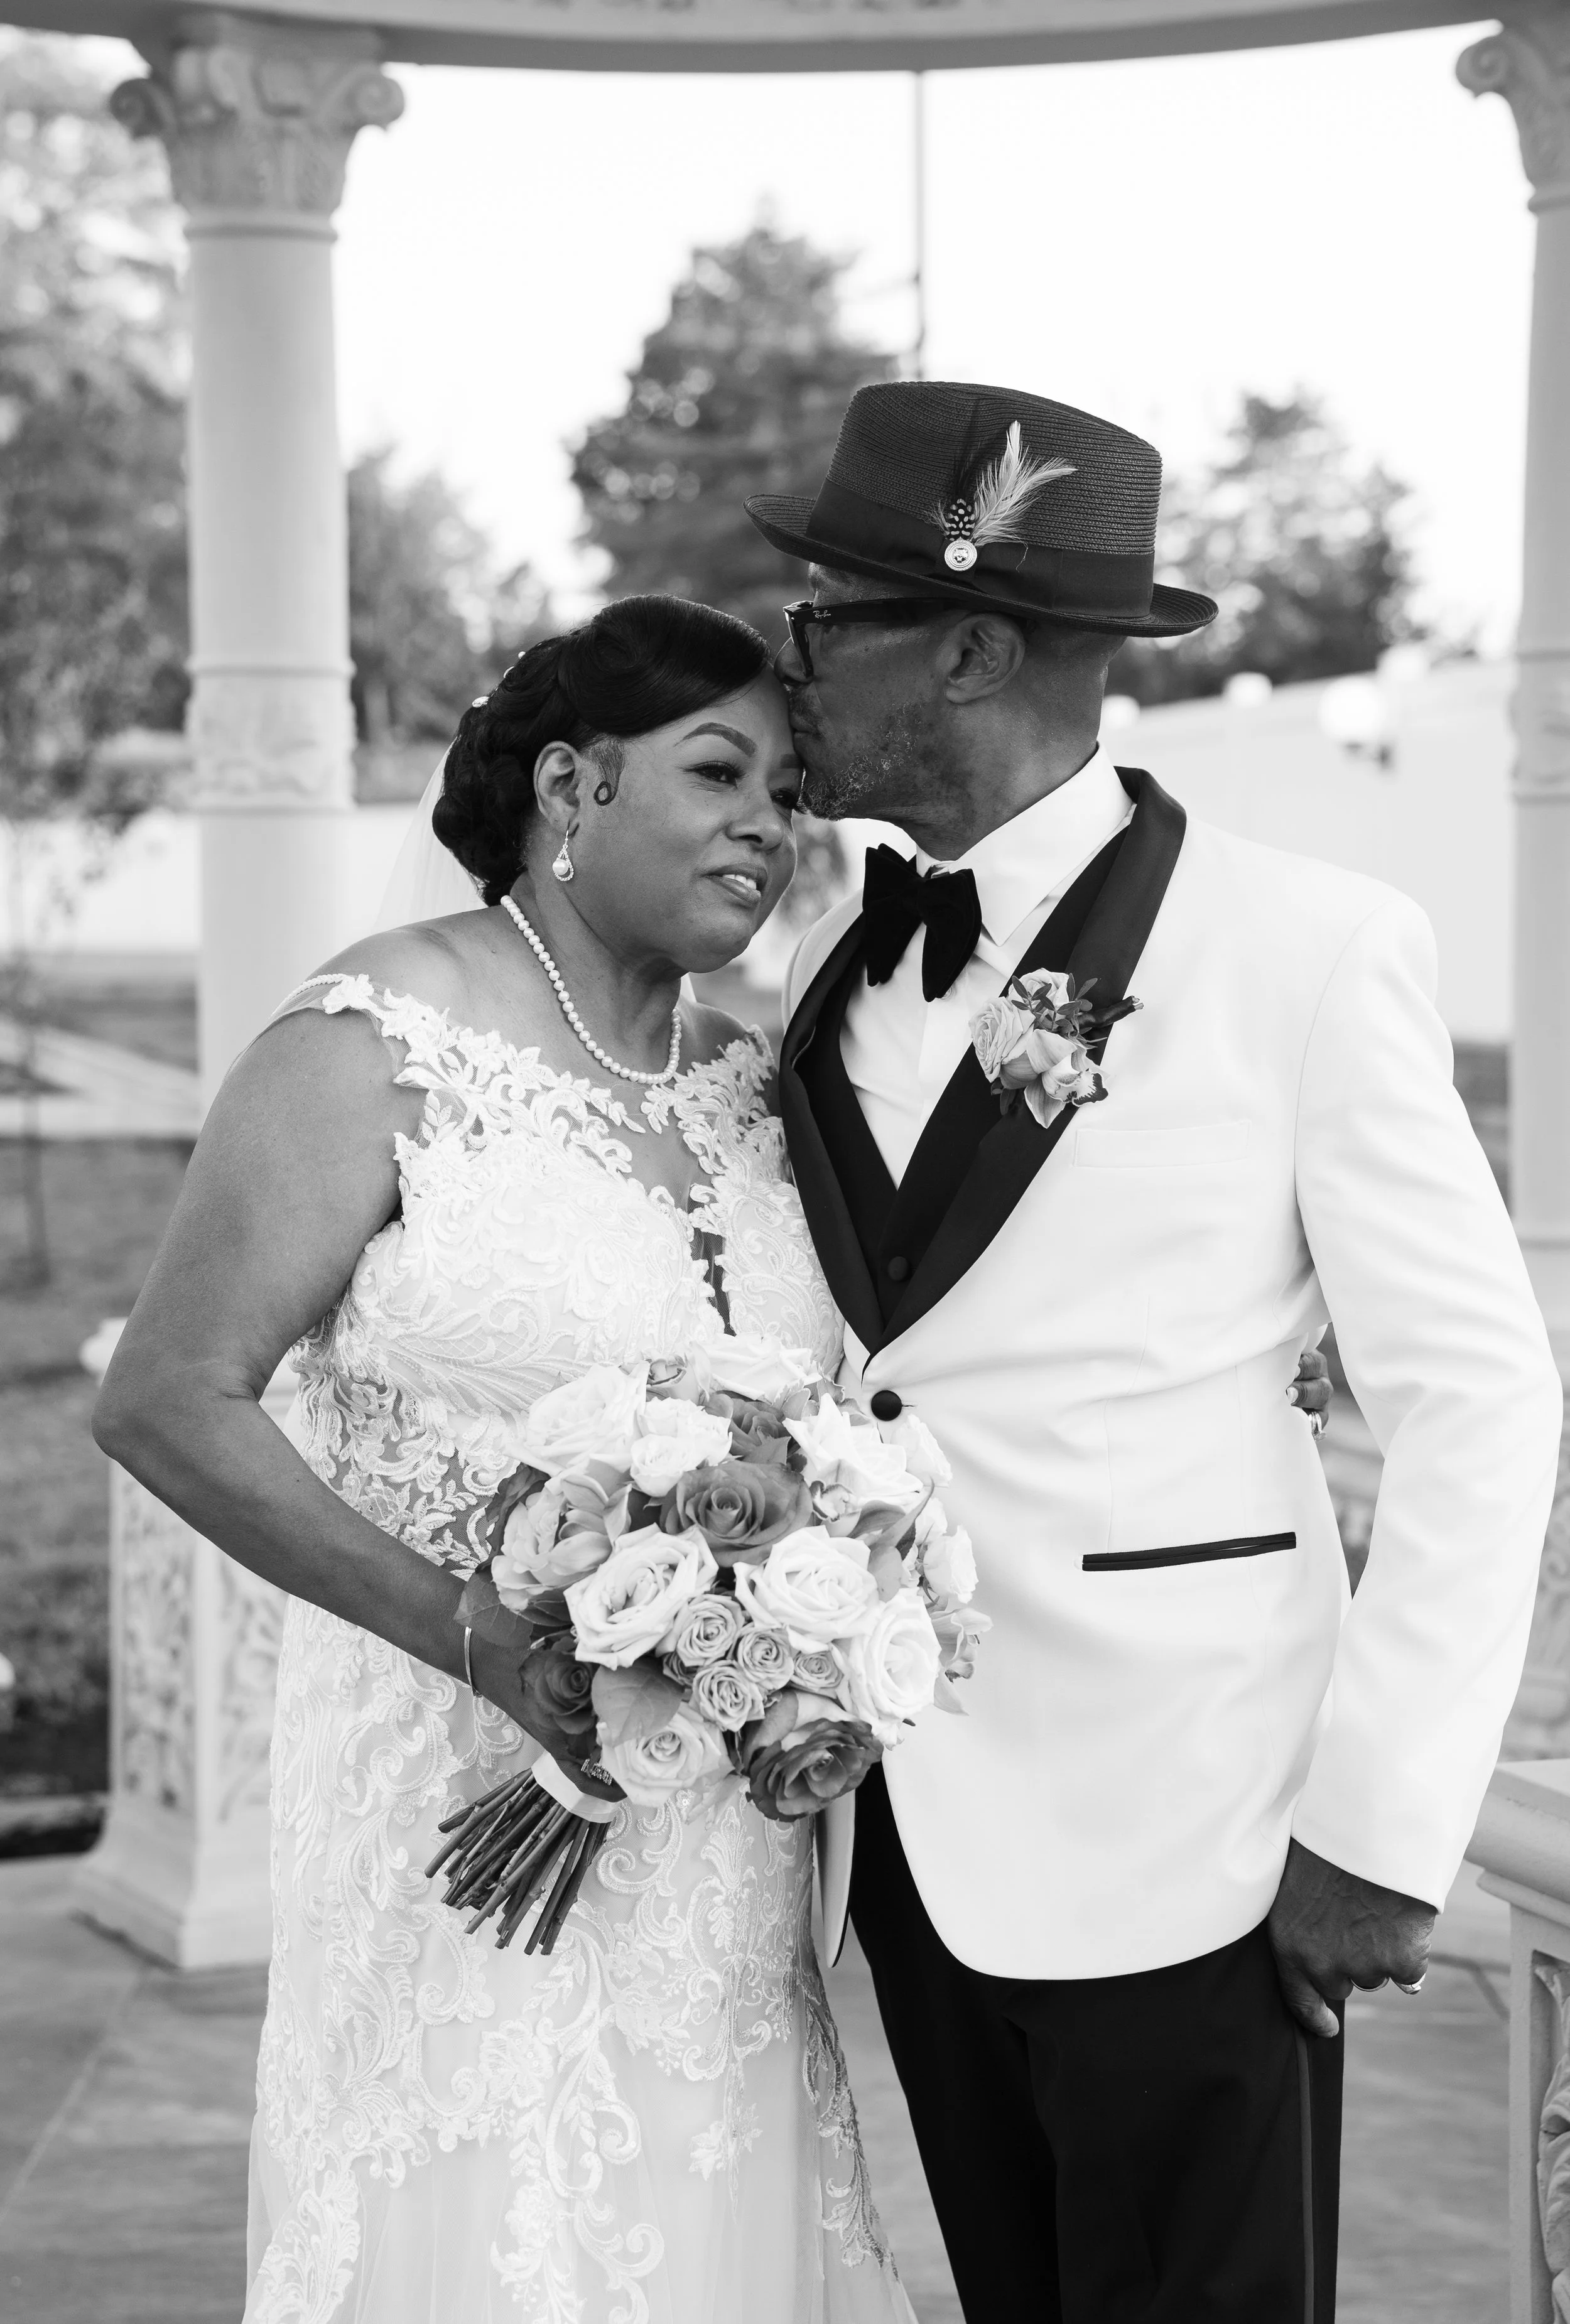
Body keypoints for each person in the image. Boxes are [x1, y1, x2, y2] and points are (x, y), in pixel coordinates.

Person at [748, 377, 1564, 2324]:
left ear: (961, 646)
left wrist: (1378, 1830)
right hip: (910, 1820)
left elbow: (1477, 1401)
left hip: (1205, 1835)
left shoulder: (1306, 947)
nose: (789, 668)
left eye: (821, 623)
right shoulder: (830, 943)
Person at [91, 595, 916, 2324]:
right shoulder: (375, 1043)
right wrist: (466, 1623)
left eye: (788, 786)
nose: (771, 821)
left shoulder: (760, 1087)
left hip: (710, 1839)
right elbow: (170, 1395)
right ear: (569, 781)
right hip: (439, 1787)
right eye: (719, 770)